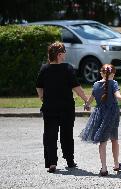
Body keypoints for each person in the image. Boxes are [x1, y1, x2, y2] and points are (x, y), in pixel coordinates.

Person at [36, 42, 89, 173]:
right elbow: (77, 88)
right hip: (66, 107)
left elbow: (39, 86)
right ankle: (70, 161)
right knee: (67, 135)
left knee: (50, 135)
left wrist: (42, 98)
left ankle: (51, 162)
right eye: (64, 52)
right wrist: (87, 100)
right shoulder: (67, 68)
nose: (65, 54)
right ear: (59, 55)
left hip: (49, 107)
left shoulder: (44, 69)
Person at [80, 64, 121, 176]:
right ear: (113, 74)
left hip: (99, 114)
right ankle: (116, 164)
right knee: (114, 139)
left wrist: (86, 105)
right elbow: (117, 96)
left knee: (103, 141)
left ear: (101, 73)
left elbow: (90, 101)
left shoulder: (96, 84)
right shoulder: (114, 83)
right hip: (112, 114)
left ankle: (104, 167)